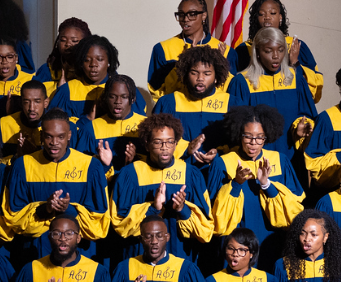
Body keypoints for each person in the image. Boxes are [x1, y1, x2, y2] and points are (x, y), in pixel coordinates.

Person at [3, 108, 111, 263]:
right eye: (48, 137)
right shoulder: (23, 166)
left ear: (69, 136)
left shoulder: (90, 166)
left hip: (79, 255)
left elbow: (99, 220)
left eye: (60, 137)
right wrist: (45, 209)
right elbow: (12, 216)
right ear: (41, 136)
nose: (54, 143)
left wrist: (67, 209)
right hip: (35, 252)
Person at [208, 106, 304, 268]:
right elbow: (215, 211)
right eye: (248, 137)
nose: (254, 143)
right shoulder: (223, 163)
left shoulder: (279, 160)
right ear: (239, 134)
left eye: (260, 137)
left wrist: (267, 184)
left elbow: (294, 209)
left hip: (270, 239)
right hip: (236, 242)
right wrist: (236, 183)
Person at [111, 114, 213, 262]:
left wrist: (182, 209)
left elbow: (206, 229)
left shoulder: (191, 174)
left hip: (179, 257)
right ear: (147, 144)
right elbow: (119, 223)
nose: (165, 148)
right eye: (158, 142)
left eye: (170, 142)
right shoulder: (130, 174)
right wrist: (153, 208)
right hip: (139, 257)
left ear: (176, 143)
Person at [227, 27, 317, 161]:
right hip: (255, 159)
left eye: (280, 50)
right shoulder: (243, 82)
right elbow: (235, 127)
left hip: (291, 157)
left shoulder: (295, 78)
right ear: (257, 52)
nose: (276, 56)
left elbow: (308, 114)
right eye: (268, 51)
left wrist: (300, 127)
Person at [152, 45, 242, 168]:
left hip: (220, 172)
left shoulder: (232, 103)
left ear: (216, 77)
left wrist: (220, 152)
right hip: (180, 171)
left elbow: (242, 142)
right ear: (185, 74)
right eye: (194, 73)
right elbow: (155, 140)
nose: (200, 78)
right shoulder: (169, 102)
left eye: (207, 73)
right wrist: (186, 149)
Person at [147, 0, 237, 101]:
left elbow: (231, 90)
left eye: (192, 14)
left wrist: (220, 65)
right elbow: (156, 91)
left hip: (213, 113)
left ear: (203, 15)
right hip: (178, 112)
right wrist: (183, 63)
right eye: (181, 15)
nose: (185, 19)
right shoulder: (162, 49)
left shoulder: (226, 51)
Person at [233, 0, 323, 102]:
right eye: (262, 14)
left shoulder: (296, 45)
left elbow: (315, 88)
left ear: (280, 17)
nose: (267, 17)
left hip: (289, 101)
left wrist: (295, 64)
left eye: (273, 13)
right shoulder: (244, 49)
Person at [49, 35, 146, 122]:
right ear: (80, 62)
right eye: (87, 60)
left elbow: (138, 122)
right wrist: (87, 119)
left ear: (109, 62)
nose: (93, 65)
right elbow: (55, 127)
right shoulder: (67, 91)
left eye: (99, 60)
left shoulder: (125, 88)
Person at [75, 74, 146, 179]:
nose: (118, 102)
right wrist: (101, 163)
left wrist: (134, 160)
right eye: (112, 96)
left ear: (132, 99)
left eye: (124, 97)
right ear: (106, 98)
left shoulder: (145, 126)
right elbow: (81, 167)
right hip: (104, 188)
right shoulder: (91, 129)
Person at [34, 17, 92, 97]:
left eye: (74, 41)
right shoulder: (47, 70)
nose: (68, 44)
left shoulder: (93, 69)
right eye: (63, 40)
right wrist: (58, 89)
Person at [0, 80, 49, 158]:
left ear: (46, 102)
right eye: (26, 102)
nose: (31, 108)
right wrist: (18, 157)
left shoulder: (56, 127)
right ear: (21, 103)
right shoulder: (2, 125)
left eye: (37, 102)